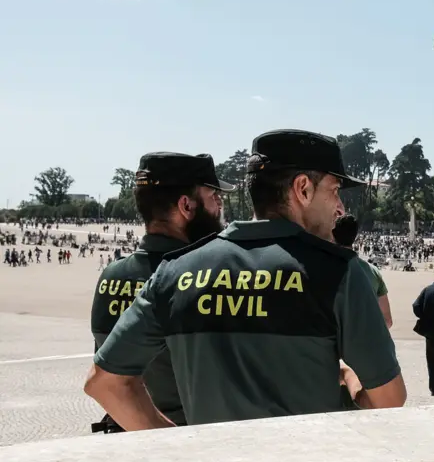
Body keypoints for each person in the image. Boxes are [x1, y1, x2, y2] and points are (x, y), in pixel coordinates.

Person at [85, 129, 407, 428]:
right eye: (334, 191)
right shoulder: (339, 272)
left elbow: (105, 382)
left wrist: (175, 445)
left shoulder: (175, 271)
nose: (339, 207)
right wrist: (352, 386)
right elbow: (390, 400)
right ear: (303, 189)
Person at [89, 152, 232, 433]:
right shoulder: (204, 278)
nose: (220, 205)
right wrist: (168, 438)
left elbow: (107, 370)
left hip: (126, 431)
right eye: (214, 195)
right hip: (189, 437)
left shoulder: (111, 275)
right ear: (186, 206)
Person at [332, 214, 392, 328]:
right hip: (364, 340)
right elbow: (387, 321)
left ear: (333, 235)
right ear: (355, 236)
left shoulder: (320, 270)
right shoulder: (373, 272)